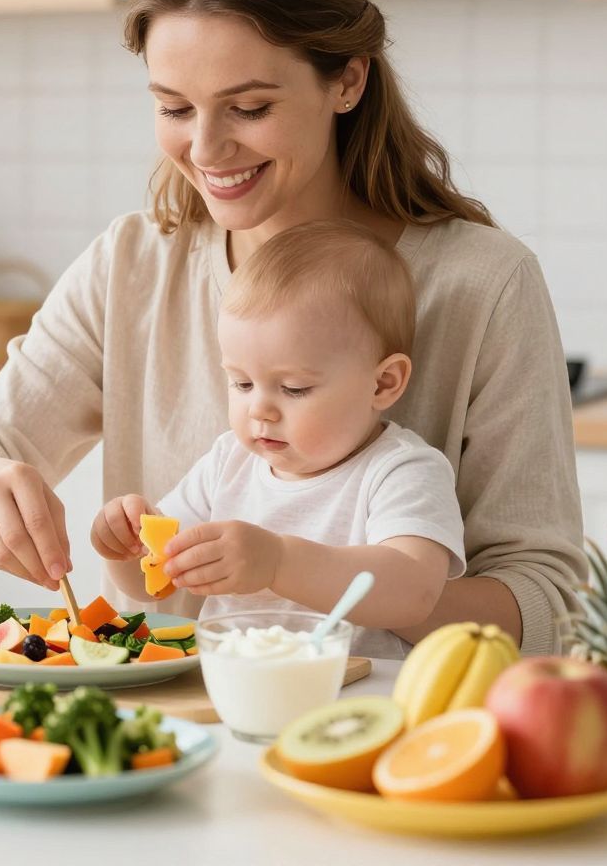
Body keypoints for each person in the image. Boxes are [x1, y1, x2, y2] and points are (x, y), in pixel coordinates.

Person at [0, 0, 584, 655]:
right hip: (172, 724)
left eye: (248, 107)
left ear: (348, 81)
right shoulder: (132, 267)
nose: (207, 149)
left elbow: (544, 599)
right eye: (174, 107)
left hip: (379, 732)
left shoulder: (484, 284)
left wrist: (301, 571)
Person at [94, 219, 463, 657]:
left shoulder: (400, 470)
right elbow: (152, 584)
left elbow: (413, 591)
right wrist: (124, 548)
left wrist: (278, 563)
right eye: (242, 384)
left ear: (383, 383)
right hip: (231, 690)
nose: (259, 410)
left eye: (293, 389)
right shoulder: (226, 463)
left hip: (351, 698)